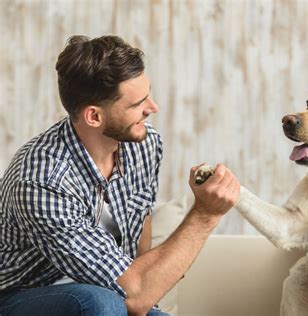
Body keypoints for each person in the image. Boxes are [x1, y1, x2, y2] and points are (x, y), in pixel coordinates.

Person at [0, 35, 240, 316]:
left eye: (148, 94)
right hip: (18, 295)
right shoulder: (42, 179)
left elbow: (141, 226)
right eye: (137, 104)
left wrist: (149, 296)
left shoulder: (143, 143)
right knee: (101, 302)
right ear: (94, 117)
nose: (152, 108)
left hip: (109, 287)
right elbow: (133, 295)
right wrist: (205, 214)